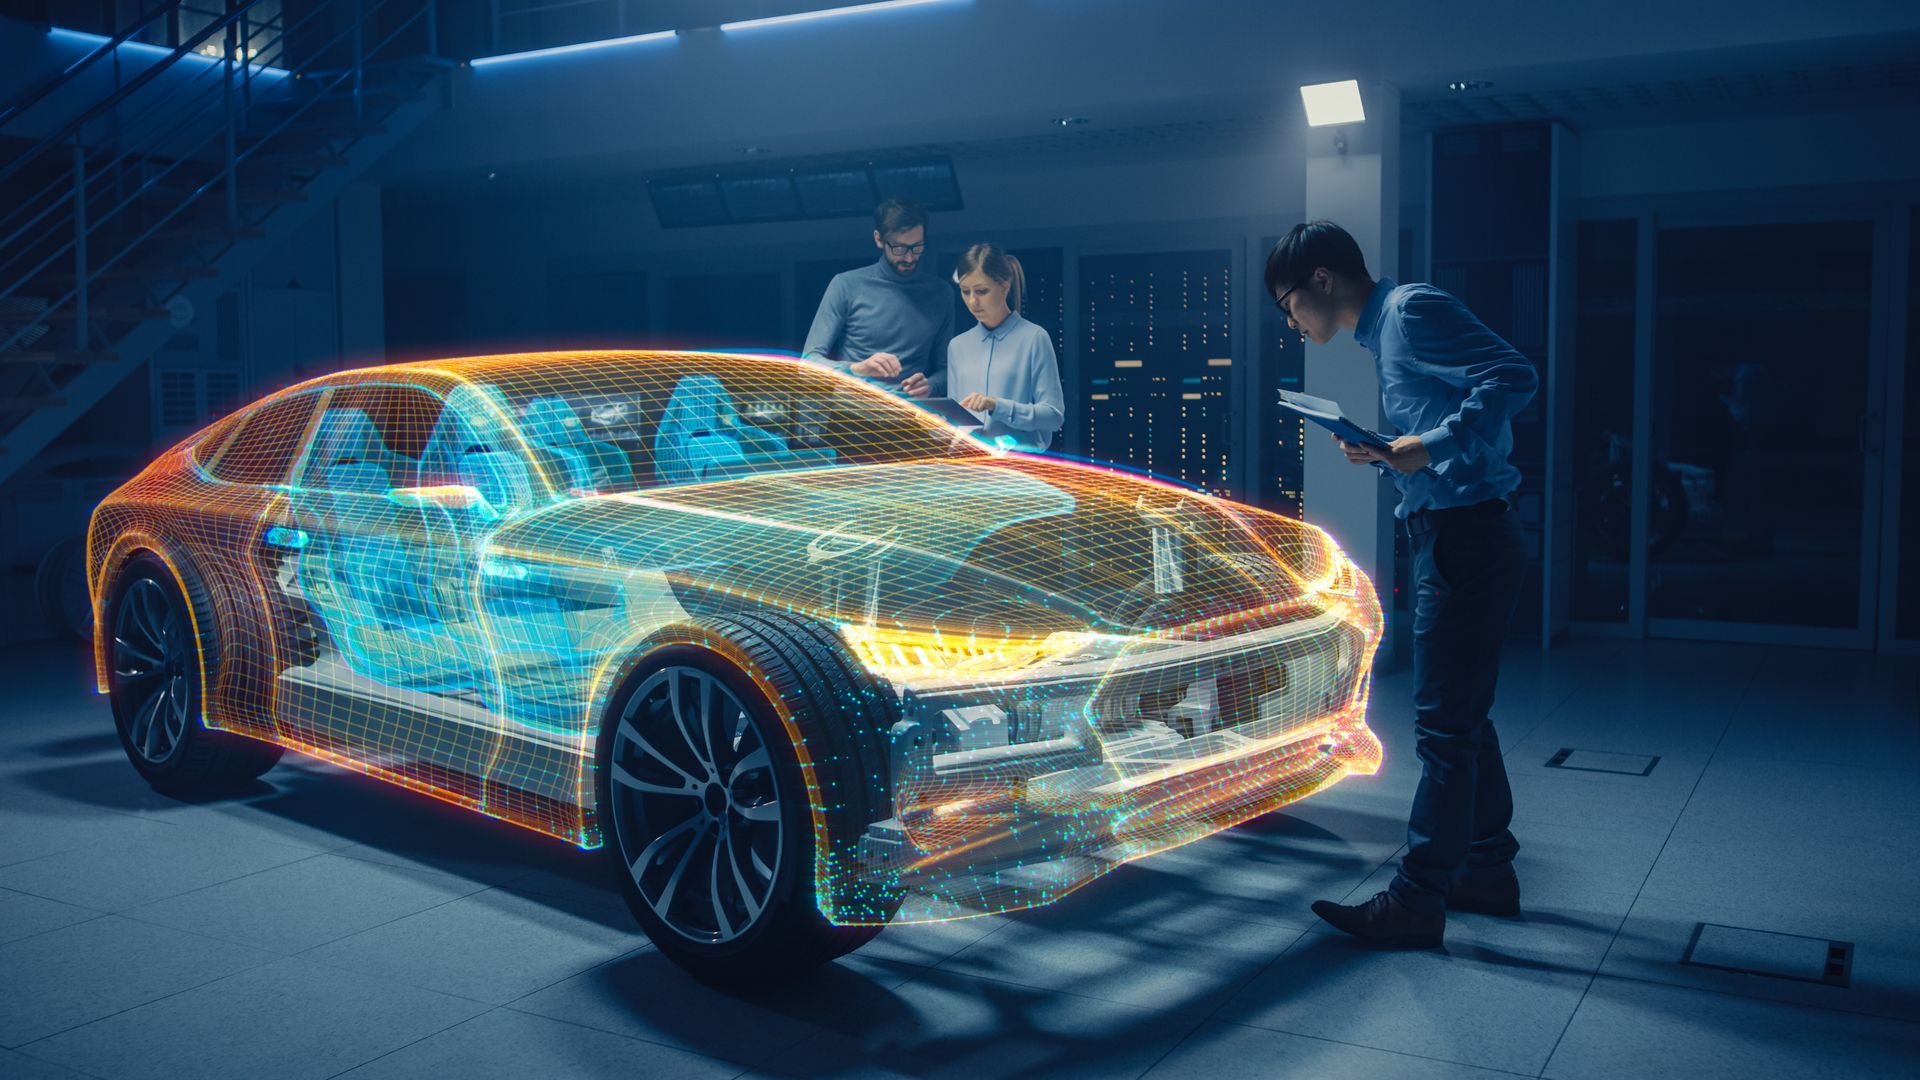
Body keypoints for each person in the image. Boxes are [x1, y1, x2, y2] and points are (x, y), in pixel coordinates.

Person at [1267, 220, 1539, 949]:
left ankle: (1418, 901)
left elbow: (1516, 376)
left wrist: (1431, 444)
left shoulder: (1410, 313)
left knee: (1444, 728)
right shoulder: (1382, 333)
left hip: (1467, 535)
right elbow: (1442, 434)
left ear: (1322, 281)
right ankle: (1486, 871)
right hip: (1455, 529)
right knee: (1464, 720)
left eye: (1289, 303)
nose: (1290, 321)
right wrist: (1392, 453)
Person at [802, 197, 955, 400]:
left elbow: (947, 371)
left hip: (912, 417)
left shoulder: (941, 293)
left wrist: (931, 386)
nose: (909, 258)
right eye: (899, 248)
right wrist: (857, 369)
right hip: (851, 418)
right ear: (878, 239)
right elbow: (807, 365)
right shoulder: (846, 285)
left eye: (917, 247)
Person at [945, 243, 1065, 450]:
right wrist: (933, 421)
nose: (973, 301)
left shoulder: (1034, 338)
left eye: (982, 291)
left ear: (1005, 286)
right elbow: (955, 421)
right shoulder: (957, 346)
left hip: (1019, 471)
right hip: (969, 469)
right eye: (965, 291)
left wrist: (996, 406)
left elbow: (1053, 417)